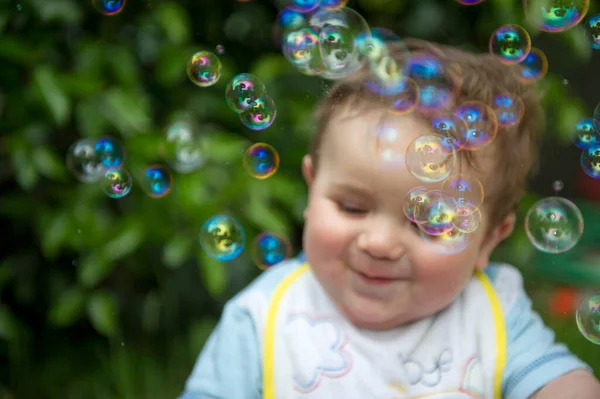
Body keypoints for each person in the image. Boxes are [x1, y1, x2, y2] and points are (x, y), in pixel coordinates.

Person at [179, 38, 600, 398]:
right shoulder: (263, 316)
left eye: (429, 222)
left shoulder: (494, 313)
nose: (378, 243)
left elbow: (564, 383)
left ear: (490, 238)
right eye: (352, 207)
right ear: (312, 187)